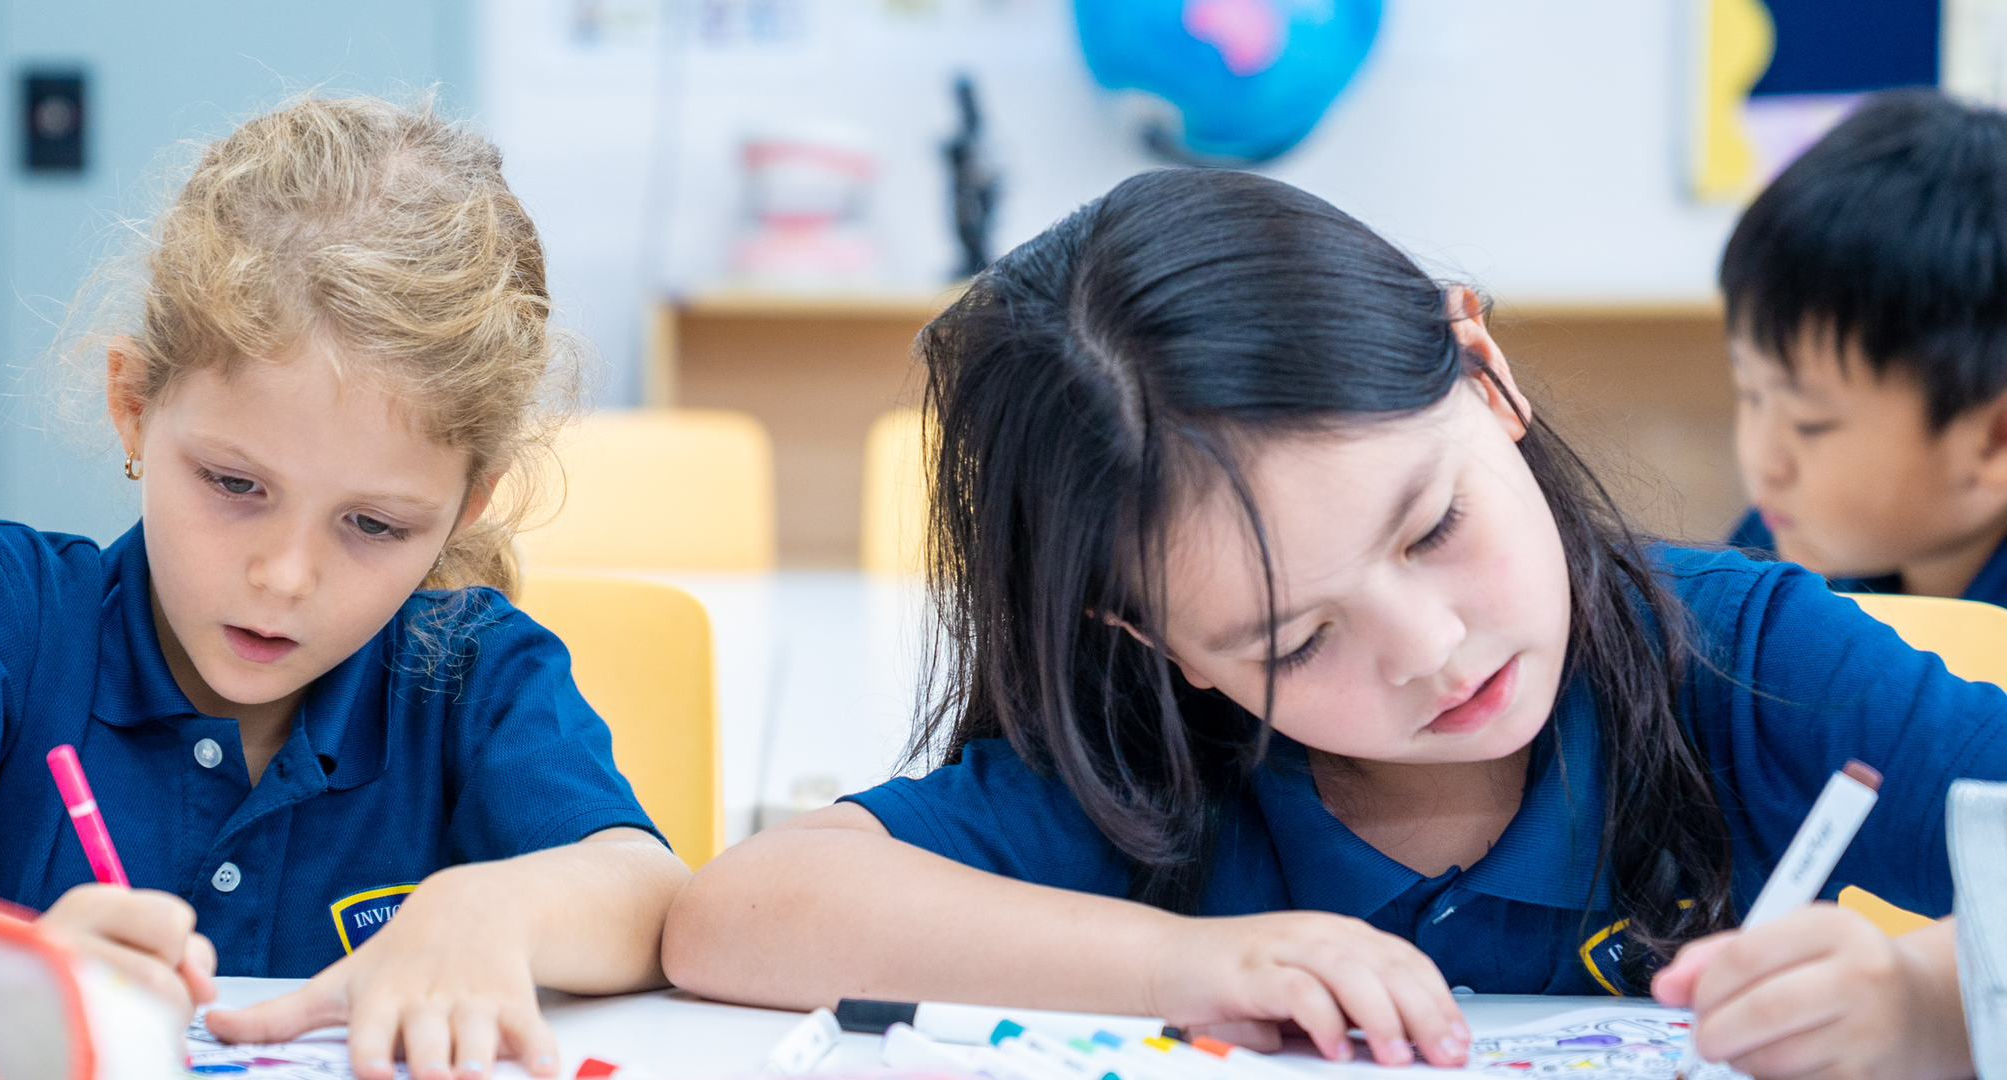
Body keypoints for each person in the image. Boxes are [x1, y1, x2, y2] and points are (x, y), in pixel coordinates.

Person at [663, 167, 2001, 1080]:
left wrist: (1925, 1005)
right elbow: (743, 913)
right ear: (1152, 642)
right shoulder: (1156, 764)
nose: (1429, 646)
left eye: (1432, 529)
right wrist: (1190, 963)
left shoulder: (1746, 663)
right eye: (1294, 643)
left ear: (1484, 377)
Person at [0, 93, 688, 1080]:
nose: (283, 577)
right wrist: (3, 962)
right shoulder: (0, 608)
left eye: (372, 525)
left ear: (464, 510)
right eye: (234, 486)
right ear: (132, 407)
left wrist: (489, 912)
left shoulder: (473, 677)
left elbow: (651, 896)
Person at [1725, 89, 2007, 604]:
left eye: (1812, 423)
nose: (1762, 461)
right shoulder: (1773, 550)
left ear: (1996, 439)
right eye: (1750, 393)